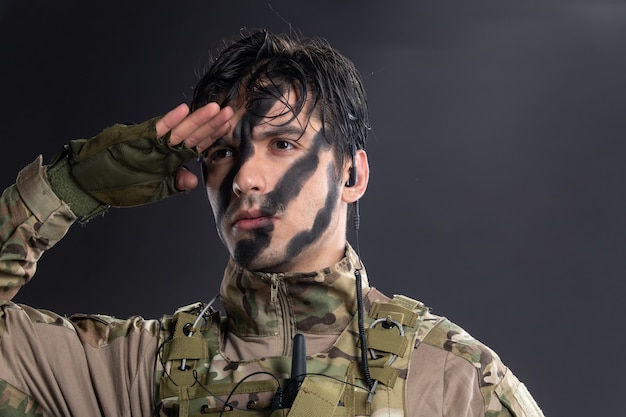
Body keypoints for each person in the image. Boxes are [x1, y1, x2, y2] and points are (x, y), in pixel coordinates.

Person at [0, 30, 544, 417]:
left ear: (351, 173)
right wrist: (70, 188)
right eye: (219, 152)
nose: (244, 177)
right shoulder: (138, 370)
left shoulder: (452, 380)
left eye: (282, 144)